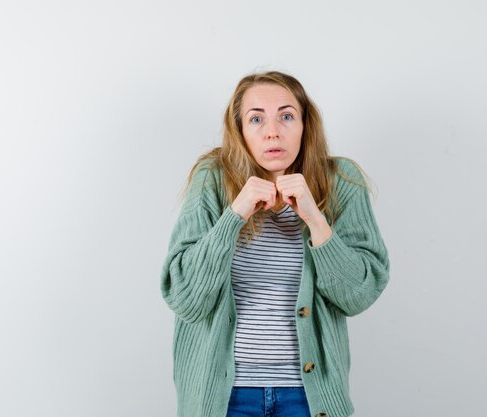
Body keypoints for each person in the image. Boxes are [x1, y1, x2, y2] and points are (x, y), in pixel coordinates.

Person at [160, 71, 390, 417]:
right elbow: (185, 297)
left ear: (304, 125)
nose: (272, 131)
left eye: (286, 116)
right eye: (256, 119)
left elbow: (358, 295)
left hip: (310, 398)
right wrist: (234, 216)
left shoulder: (341, 181)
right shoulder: (212, 179)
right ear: (239, 130)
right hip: (223, 398)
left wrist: (316, 220)